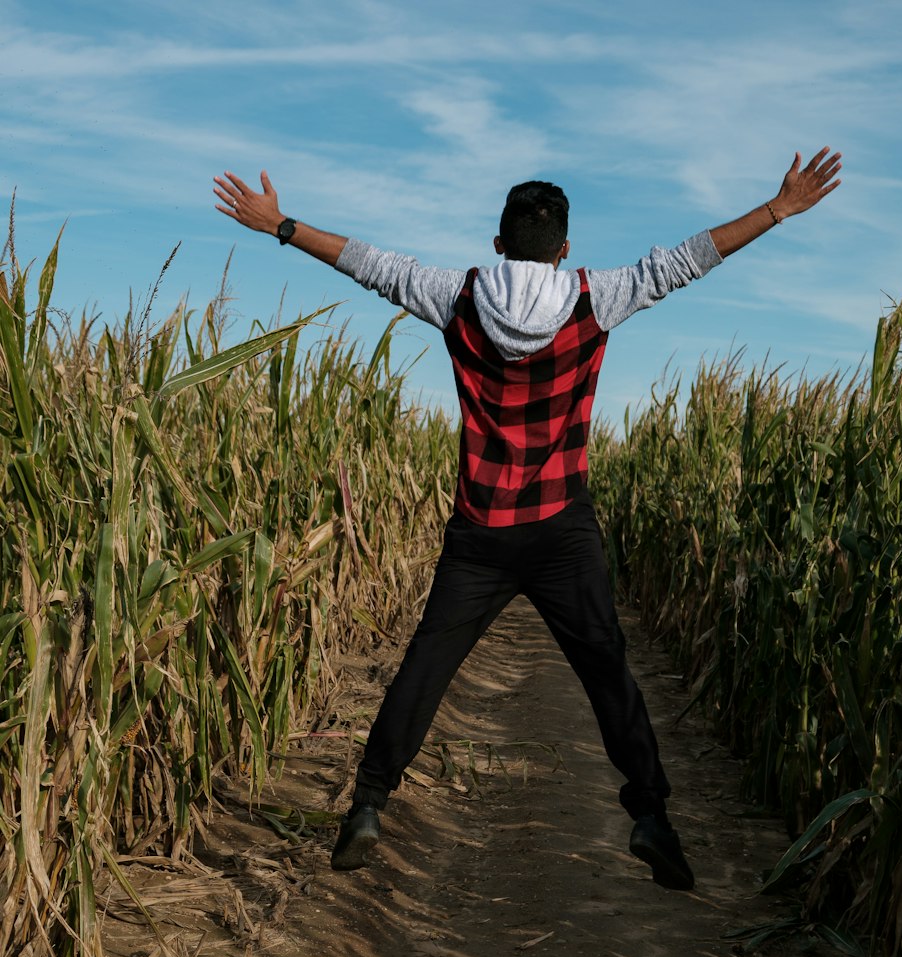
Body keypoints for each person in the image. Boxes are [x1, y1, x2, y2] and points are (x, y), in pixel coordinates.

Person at [214, 149, 841, 891]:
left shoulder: (456, 294)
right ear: (564, 249)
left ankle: (369, 805)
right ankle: (651, 817)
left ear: (499, 244)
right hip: (559, 530)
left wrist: (280, 225)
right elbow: (688, 259)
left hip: (481, 530)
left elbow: (365, 262)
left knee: (424, 668)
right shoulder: (594, 296)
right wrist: (776, 209)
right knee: (607, 668)